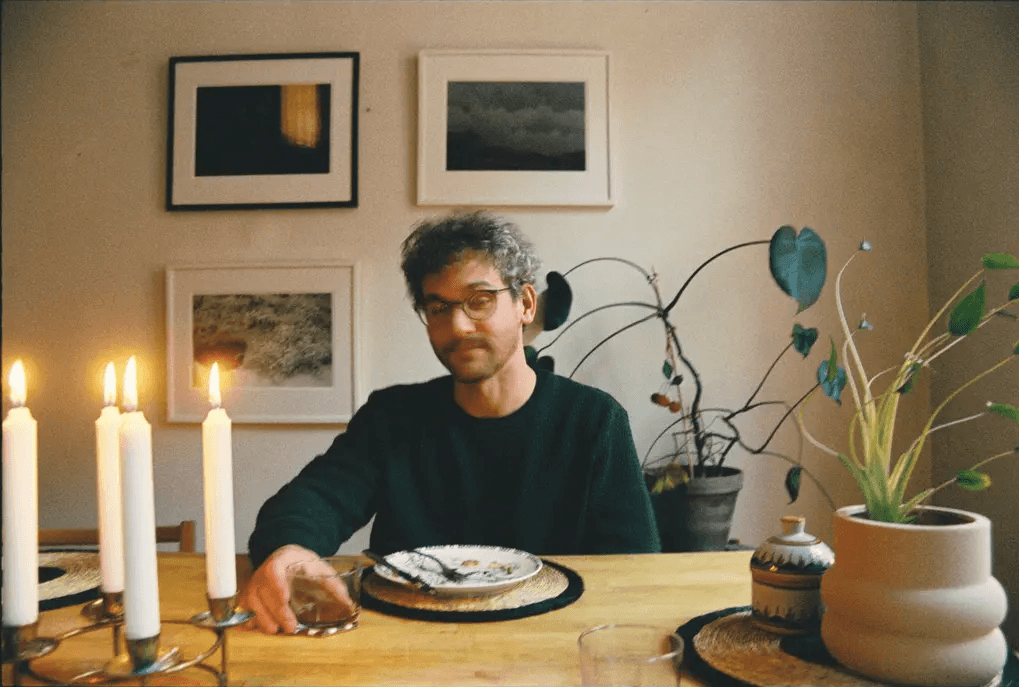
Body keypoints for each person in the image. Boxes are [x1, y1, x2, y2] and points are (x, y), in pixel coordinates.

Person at [241, 211, 660, 634]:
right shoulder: (392, 417)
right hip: (404, 643)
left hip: (550, 642)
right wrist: (288, 550)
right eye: (438, 308)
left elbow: (631, 568)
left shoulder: (592, 420)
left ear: (526, 305)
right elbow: (314, 501)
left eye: (479, 300)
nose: (457, 326)